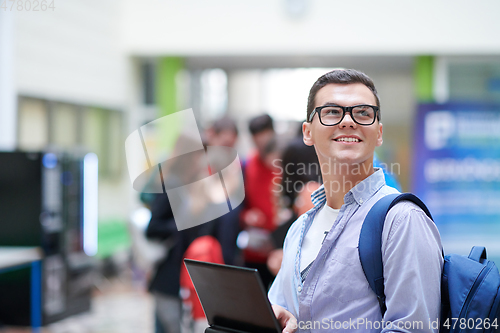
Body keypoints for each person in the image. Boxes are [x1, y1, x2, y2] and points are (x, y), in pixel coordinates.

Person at [269, 69, 443, 333]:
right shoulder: (299, 228)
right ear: (308, 132)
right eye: (331, 112)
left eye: (363, 113)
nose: (348, 121)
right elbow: (280, 309)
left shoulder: (402, 221)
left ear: (379, 133)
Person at [240, 114, 281, 288]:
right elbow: (238, 205)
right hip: (255, 251)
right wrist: (246, 216)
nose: (262, 144)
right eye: (257, 140)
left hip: (281, 251)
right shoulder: (247, 165)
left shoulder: (287, 164)